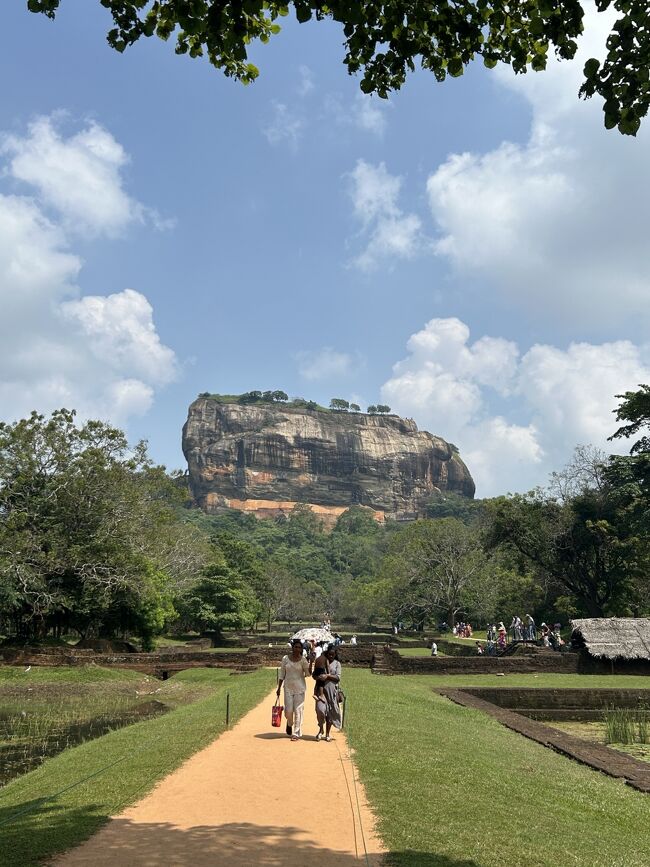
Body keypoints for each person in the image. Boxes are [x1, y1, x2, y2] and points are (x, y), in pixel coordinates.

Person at [277, 638, 310, 741]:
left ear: (301, 649)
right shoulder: (285, 659)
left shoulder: (303, 660)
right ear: (292, 647)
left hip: (300, 688)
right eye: (295, 647)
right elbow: (282, 674)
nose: (297, 649)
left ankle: (296, 732)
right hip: (288, 688)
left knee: (298, 710)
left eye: (299, 647)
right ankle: (289, 723)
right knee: (288, 711)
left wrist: (311, 662)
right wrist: (278, 688)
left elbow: (308, 674)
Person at [314, 644, 343, 741]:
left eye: (333, 655)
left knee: (330, 713)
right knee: (320, 710)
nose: (331, 656)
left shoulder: (337, 664)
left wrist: (327, 676)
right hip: (321, 691)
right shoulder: (321, 660)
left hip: (332, 692)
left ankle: (327, 733)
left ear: (335, 655)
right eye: (329, 654)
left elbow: (338, 677)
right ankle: (321, 730)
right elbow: (315, 675)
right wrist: (318, 677)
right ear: (327, 653)